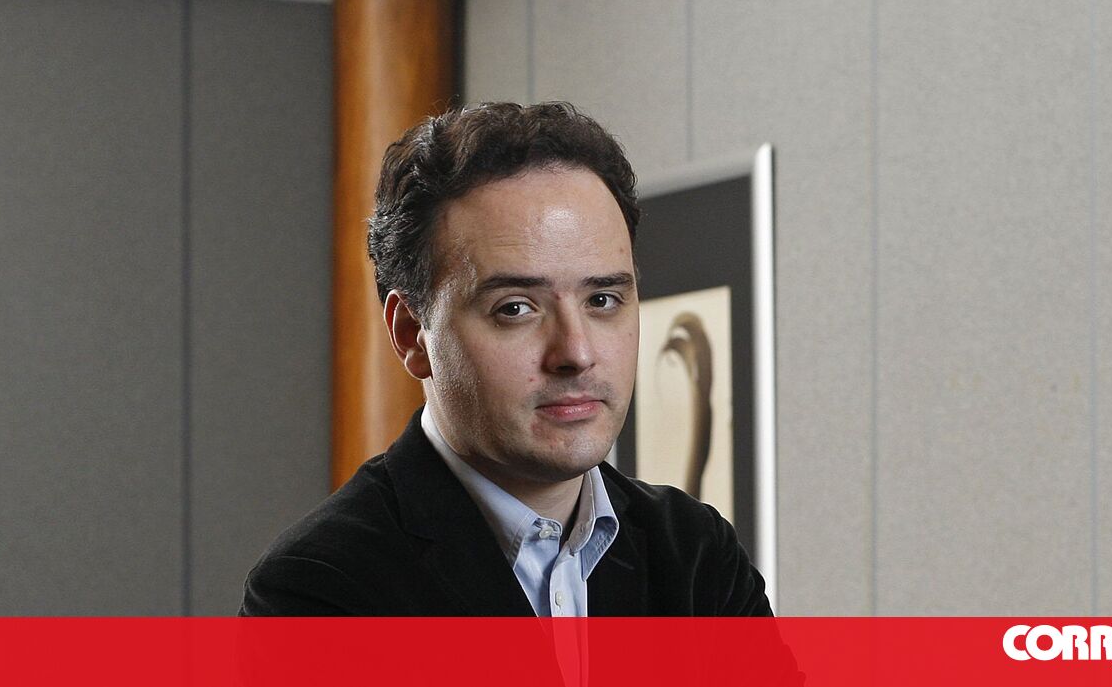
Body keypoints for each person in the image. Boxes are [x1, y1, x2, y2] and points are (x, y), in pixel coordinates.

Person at [240, 102, 772, 617]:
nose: (576, 353)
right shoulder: (320, 587)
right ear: (411, 334)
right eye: (515, 308)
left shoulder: (697, 555)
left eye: (602, 300)